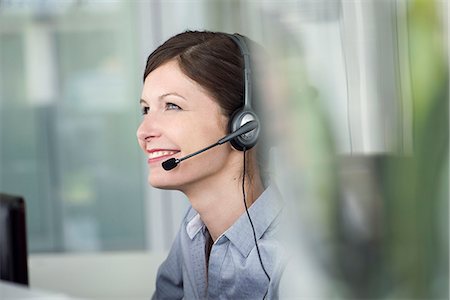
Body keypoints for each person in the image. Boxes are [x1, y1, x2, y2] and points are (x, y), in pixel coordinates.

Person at [136, 30, 284, 299]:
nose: (144, 132)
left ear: (243, 126)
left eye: (171, 106)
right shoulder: (193, 230)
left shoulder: (290, 259)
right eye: (146, 109)